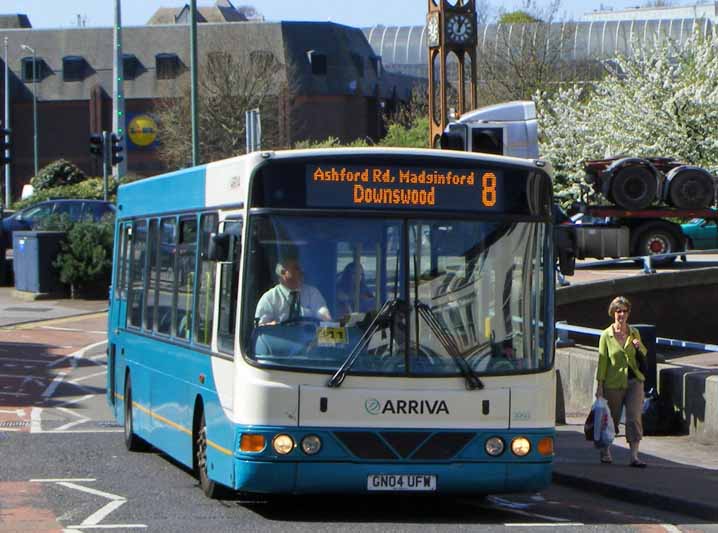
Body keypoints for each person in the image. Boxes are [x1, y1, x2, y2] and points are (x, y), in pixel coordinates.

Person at [595, 296, 648, 467]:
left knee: (634, 418)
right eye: (619, 311)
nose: (622, 314)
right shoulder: (606, 335)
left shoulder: (634, 332)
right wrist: (600, 386)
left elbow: (644, 354)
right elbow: (602, 362)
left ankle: (634, 456)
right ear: (613, 313)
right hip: (613, 383)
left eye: (625, 311)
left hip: (634, 381)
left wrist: (638, 346)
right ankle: (605, 450)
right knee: (612, 419)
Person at [255, 257, 331, 325]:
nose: (301, 271)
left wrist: (326, 318)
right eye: (296, 268)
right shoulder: (269, 298)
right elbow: (261, 330)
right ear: (283, 272)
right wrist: (272, 326)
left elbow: (323, 315)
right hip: (281, 339)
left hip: (309, 339)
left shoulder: (312, 293)